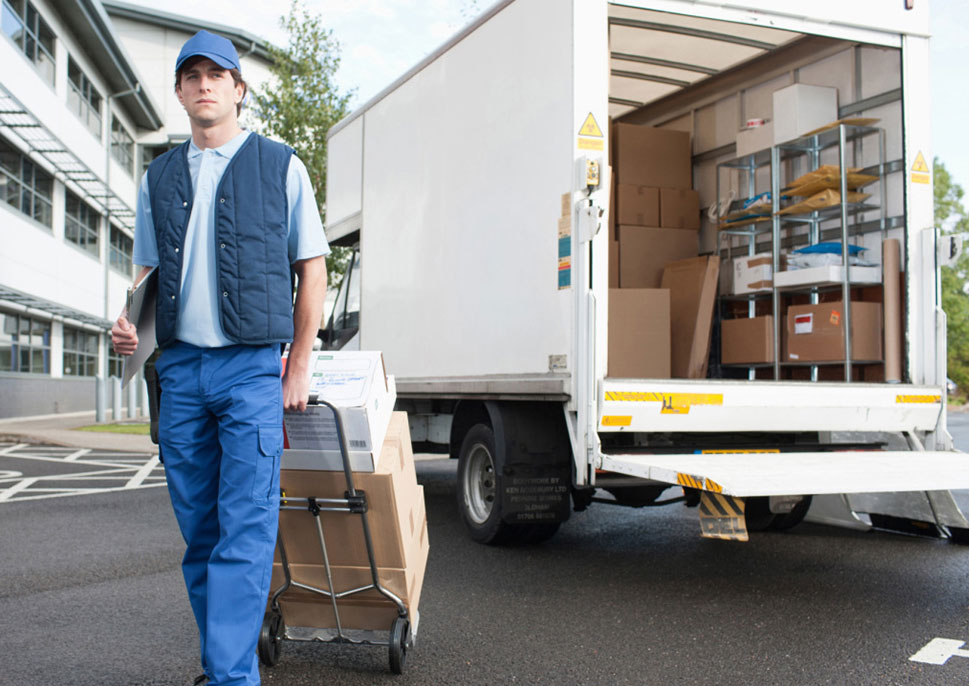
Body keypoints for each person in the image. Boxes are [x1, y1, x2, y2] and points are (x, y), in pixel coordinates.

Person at [111, 29, 328, 686]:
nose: (204, 83)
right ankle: (224, 663)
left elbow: (312, 268)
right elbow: (148, 273)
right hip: (179, 374)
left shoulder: (280, 165)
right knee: (202, 537)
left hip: (249, 373)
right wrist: (127, 327)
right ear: (180, 92)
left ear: (238, 89)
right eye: (191, 75)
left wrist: (298, 367)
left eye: (217, 74)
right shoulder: (159, 177)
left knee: (245, 531)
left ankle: (231, 677)